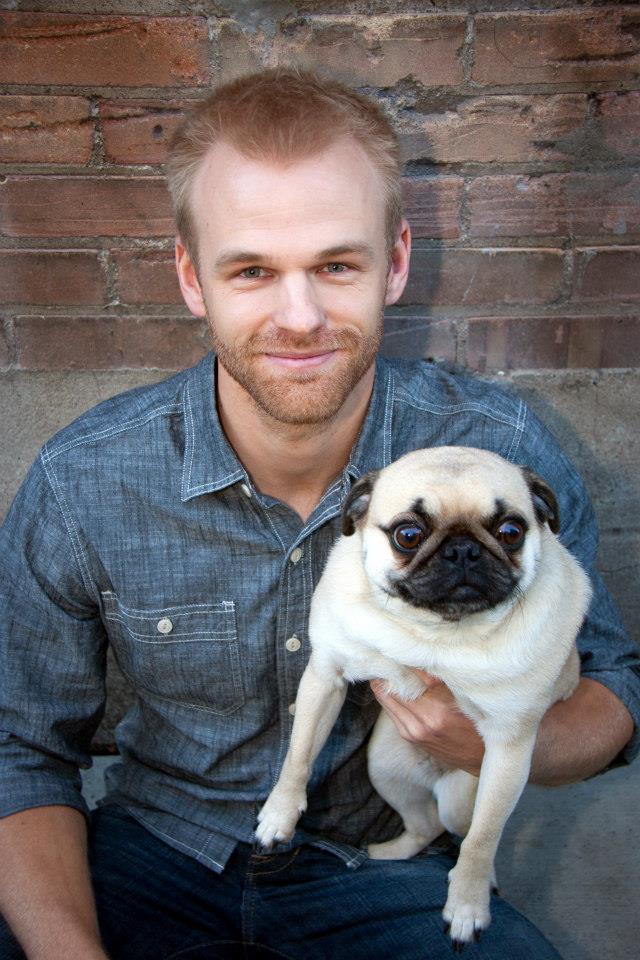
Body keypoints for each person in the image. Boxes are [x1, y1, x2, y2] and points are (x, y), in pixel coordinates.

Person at [0, 68, 637, 960]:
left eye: (337, 265)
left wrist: (498, 736)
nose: (299, 317)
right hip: (151, 851)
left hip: (391, 868)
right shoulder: (86, 479)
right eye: (252, 270)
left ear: (398, 261)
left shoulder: (501, 453)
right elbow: (18, 749)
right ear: (191, 276)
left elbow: (617, 687)